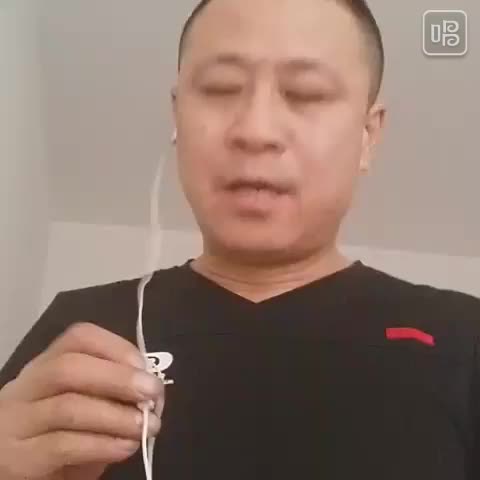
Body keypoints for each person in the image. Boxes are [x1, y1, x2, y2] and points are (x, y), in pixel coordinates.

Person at [1, 0, 479, 478]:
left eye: (306, 93)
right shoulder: (78, 331)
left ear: (368, 135)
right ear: (177, 116)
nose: (255, 130)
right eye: (220, 88)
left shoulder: (464, 336)